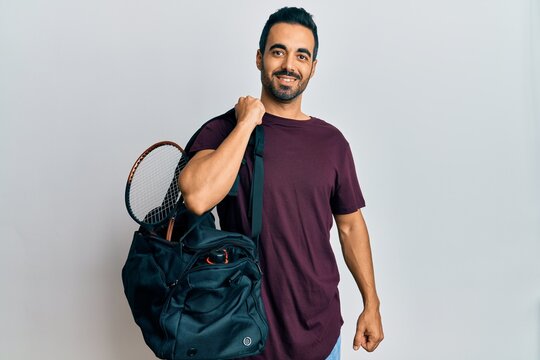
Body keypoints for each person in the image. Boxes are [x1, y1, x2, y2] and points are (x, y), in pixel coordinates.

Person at [178, 7, 383, 360]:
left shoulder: (332, 143)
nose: (290, 64)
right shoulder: (224, 131)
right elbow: (196, 197)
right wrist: (246, 124)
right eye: (278, 51)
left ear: (313, 67)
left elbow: (350, 227)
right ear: (260, 58)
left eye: (301, 55)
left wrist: (371, 303)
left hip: (320, 335)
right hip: (242, 335)